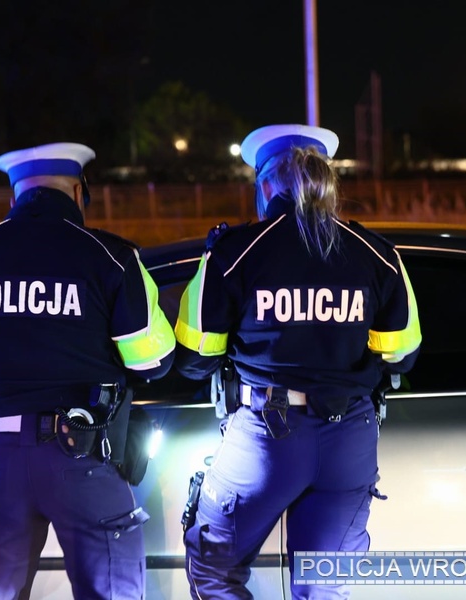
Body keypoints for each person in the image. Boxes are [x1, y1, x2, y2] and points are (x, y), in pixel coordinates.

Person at [0, 142, 176, 599]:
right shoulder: (111, 257)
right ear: (77, 192)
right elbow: (152, 362)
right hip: (86, 457)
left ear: (15, 195)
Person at [174, 124, 422, 599]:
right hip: (350, 438)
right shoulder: (377, 254)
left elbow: (193, 356)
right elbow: (402, 353)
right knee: (324, 588)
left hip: (267, 438)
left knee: (214, 569)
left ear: (267, 186)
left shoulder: (234, 252)